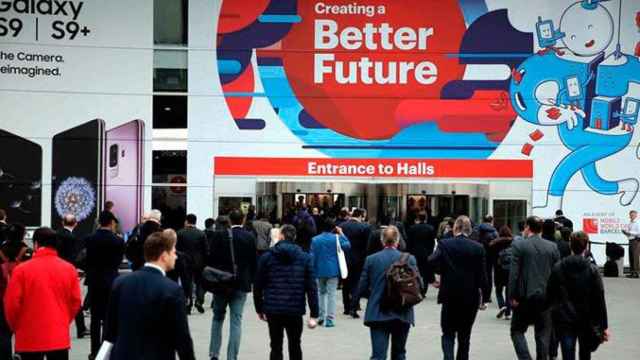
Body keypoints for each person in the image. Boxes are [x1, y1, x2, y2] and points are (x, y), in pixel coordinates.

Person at [105, 230, 196, 360]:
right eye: (174, 252)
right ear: (164, 256)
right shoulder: (172, 290)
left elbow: (110, 331)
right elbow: (182, 339)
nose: (176, 256)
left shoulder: (120, 283)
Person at [4, 227, 81, 360]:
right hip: (58, 334)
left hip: (29, 334)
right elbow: (75, 301)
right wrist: (63, 320)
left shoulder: (21, 270)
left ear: (36, 244)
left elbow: (11, 304)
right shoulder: (69, 269)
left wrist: (17, 326)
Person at [253, 224, 319, 360]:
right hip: (295, 309)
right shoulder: (305, 258)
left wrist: (259, 308)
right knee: (295, 344)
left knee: (275, 345)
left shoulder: (267, 257)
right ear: (294, 237)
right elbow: (311, 287)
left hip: (273, 308)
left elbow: (258, 284)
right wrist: (314, 313)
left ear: (281, 236)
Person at [354, 226, 419, 360]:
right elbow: (419, 285)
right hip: (402, 311)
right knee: (399, 353)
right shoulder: (409, 259)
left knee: (378, 355)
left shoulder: (371, 259)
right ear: (398, 240)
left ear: (382, 241)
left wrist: (360, 300)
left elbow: (362, 285)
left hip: (378, 312)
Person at [428, 216, 487, 360]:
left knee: (448, 332)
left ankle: (448, 357)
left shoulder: (444, 244)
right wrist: (484, 297)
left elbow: (431, 260)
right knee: (465, 335)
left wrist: (438, 274)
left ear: (455, 228)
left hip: (449, 295)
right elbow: (483, 275)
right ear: (470, 230)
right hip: (470, 297)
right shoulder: (478, 248)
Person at [546, 231, 610, 360]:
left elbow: (550, 294)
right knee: (585, 353)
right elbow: (599, 298)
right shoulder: (592, 269)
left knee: (567, 352)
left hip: (564, 317)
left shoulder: (558, 267)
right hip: (587, 318)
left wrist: (550, 315)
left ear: (571, 245)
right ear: (586, 246)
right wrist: (603, 326)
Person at [207, 209, 257, 360]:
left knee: (217, 317)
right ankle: (232, 356)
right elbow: (253, 262)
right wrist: (253, 282)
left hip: (221, 283)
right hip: (241, 283)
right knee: (236, 321)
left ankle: (214, 353)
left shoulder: (219, 235)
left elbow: (211, 259)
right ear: (243, 220)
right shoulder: (249, 237)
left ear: (229, 220)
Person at [509, 216, 560, 360]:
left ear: (527, 227)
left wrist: (512, 296)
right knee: (542, 333)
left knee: (517, 330)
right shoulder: (552, 247)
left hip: (525, 296)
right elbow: (557, 273)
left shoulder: (519, 246)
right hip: (546, 297)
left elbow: (514, 274)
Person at [84, 211, 125, 359]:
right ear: (112, 223)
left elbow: (86, 259)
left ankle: (94, 351)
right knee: (108, 318)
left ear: (99, 222)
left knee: (95, 317)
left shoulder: (89, 239)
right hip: (111, 281)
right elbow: (119, 260)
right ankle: (105, 351)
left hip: (94, 280)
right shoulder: (118, 241)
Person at [310, 217, 351, 327]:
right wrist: (341, 233)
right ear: (334, 228)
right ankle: (330, 319)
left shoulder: (315, 239)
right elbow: (348, 245)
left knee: (321, 293)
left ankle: (321, 316)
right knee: (331, 294)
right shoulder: (337, 238)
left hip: (319, 270)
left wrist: (311, 271)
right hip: (333, 270)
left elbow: (312, 256)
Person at [0, 223, 32, 359]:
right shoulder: (28, 252)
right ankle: (20, 353)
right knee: (24, 329)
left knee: (3, 332)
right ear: (23, 234)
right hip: (24, 295)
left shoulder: (1, 250)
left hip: (3, 294)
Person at [55, 214, 89, 338]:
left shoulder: (57, 235)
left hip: (56, 270)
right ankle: (81, 328)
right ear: (75, 223)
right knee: (75, 300)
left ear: (62, 222)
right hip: (68, 271)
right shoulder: (73, 238)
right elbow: (75, 257)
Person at [340, 208, 371, 317]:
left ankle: (346, 307)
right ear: (361, 215)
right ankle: (355, 305)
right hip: (359, 259)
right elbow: (368, 245)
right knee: (357, 283)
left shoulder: (342, 226)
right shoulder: (365, 227)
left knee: (345, 283)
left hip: (345, 258)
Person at [177, 213, 208, 314]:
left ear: (186, 221)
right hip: (199, 262)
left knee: (187, 283)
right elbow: (206, 249)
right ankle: (199, 301)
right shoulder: (201, 233)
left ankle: (188, 304)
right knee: (199, 282)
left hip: (184, 262)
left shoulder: (180, 233)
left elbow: (176, 249)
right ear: (195, 221)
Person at [406, 211, 436, 297]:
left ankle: (416, 288)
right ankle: (424, 290)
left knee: (415, 271)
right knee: (425, 273)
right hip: (426, 254)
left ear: (418, 218)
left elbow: (409, 242)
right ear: (426, 218)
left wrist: (409, 253)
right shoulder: (430, 228)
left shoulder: (412, 228)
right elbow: (432, 243)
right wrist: (430, 252)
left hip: (414, 253)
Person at [491, 225, 514, 320]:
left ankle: (502, 306)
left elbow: (491, 256)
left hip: (498, 269)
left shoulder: (495, 243)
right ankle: (508, 313)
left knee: (498, 290)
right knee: (508, 291)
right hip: (510, 269)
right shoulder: (514, 242)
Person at [476, 215, 498, 309]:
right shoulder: (494, 232)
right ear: (491, 221)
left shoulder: (478, 230)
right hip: (491, 257)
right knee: (489, 276)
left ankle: (480, 295)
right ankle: (487, 296)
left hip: (480, 256)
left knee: (479, 275)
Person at [621, 209, 640, 278]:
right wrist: (625, 233)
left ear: (636, 215)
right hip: (631, 241)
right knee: (631, 257)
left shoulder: (638, 223)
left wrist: (630, 233)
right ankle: (632, 272)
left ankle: (636, 273)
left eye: (633, 215)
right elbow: (629, 234)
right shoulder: (630, 223)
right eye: (630, 215)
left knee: (635, 257)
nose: (631, 216)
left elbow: (638, 233)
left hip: (636, 241)